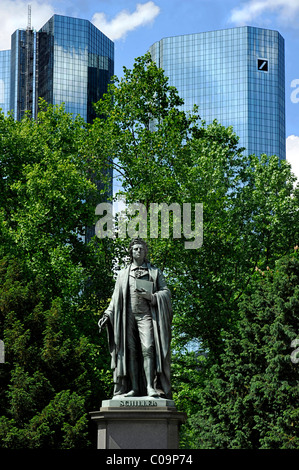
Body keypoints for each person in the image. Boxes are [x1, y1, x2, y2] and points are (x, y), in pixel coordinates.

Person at [98, 238, 173, 398]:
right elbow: (115, 298)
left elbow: (166, 292)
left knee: (148, 348)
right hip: (127, 317)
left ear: (145, 252)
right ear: (131, 252)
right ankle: (134, 389)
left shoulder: (154, 272)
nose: (138, 251)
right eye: (136, 249)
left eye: (141, 249)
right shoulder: (123, 274)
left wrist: (152, 297)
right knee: (130, 352)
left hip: (146, 315)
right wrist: (107, 314)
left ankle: (150, 387)